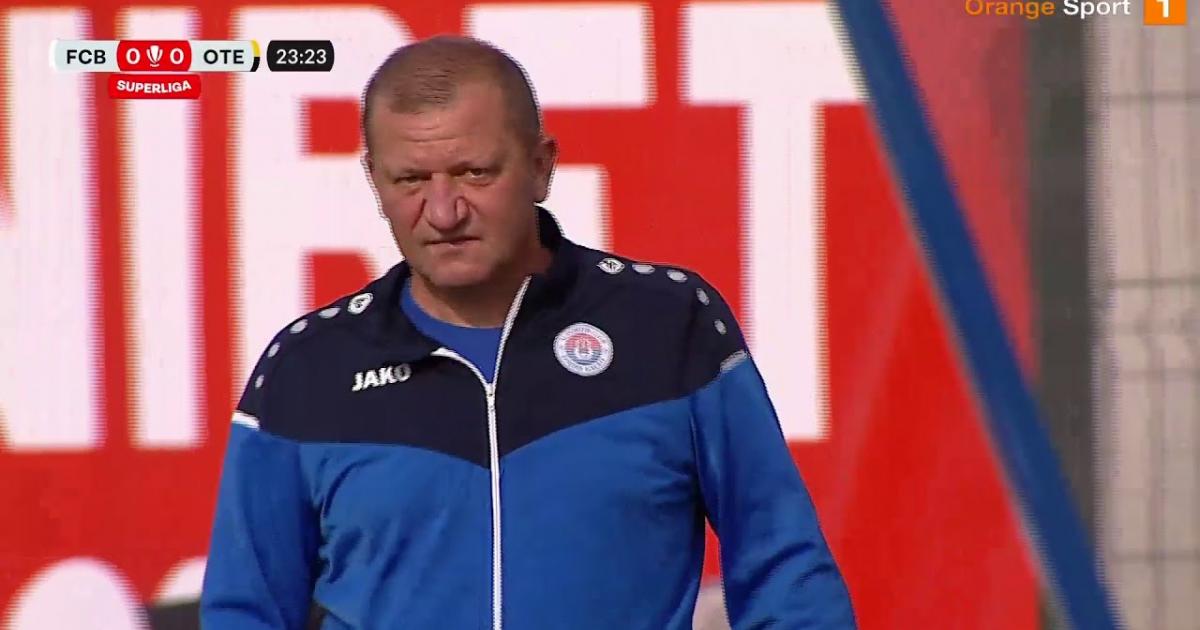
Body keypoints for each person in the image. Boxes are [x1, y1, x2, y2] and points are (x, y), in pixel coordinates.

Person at [199, 34, 856, 629]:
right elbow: (246, 611)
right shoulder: (306, 367)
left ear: (541, 166)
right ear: (374, 181)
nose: (444, 211)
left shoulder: (670, 325)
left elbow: (786, 575)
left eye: (474, 173)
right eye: (411, 180)